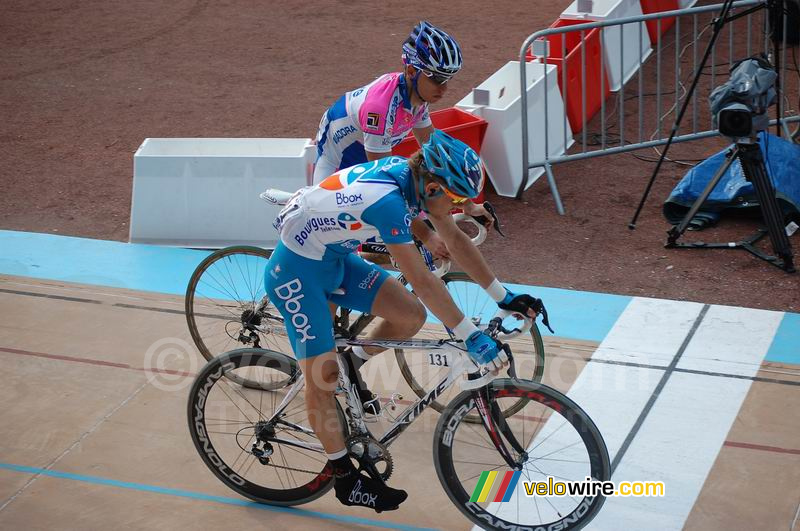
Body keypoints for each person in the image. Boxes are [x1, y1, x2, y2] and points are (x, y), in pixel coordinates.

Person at [265, 131, 540, 513]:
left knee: (410, 315)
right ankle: (344, 476)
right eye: (455, 197)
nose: (457, 205)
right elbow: (424, 281)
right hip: (297, 273)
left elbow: (455, 241)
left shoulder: (413, 182)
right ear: (432, 186)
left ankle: (353, 362)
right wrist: (470, 334)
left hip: (334, 259)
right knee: (322, 380)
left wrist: (503, 296)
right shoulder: (388, 203)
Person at [312, 20, 490, 263]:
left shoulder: (418, 97)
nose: (444, 88)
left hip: (366, 160)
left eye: (447, 79)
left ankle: (369, 260)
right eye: (437, 79)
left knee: (393, 240)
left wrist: (467, 203)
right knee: (335, 253)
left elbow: (434, 154)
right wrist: (426, 234)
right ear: (411, 72)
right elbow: (382, 183)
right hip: (337, 163)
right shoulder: (380, 108)